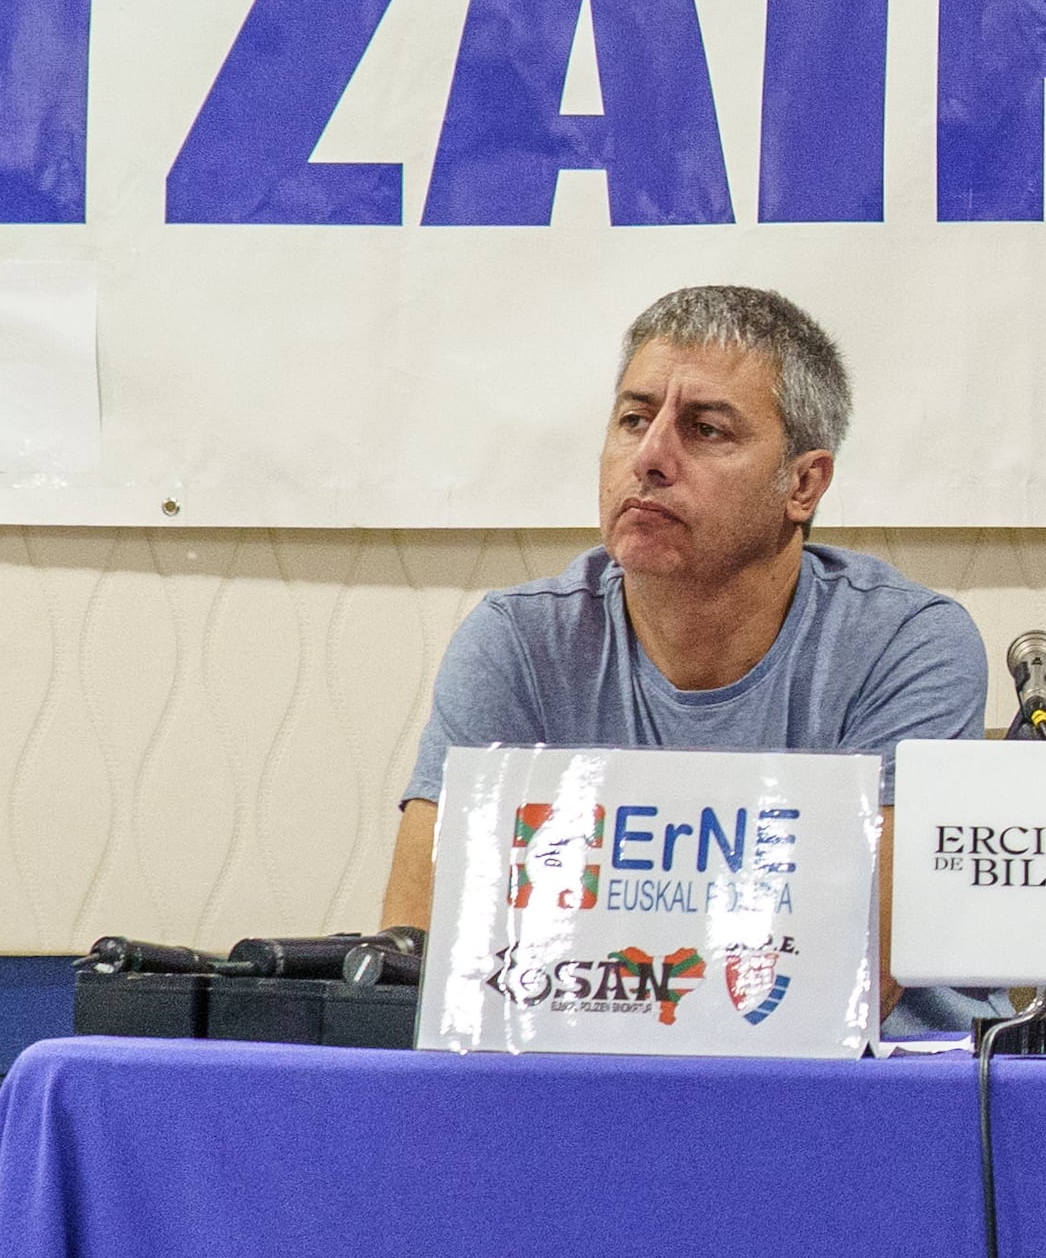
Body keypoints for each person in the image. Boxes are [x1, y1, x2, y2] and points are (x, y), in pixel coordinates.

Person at [383, 283, 995, 1035]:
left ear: (802, 484)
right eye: (634, 419)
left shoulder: (905, 645)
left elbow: (847, 978)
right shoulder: (518, 644)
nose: (650, 458)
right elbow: (419, 957)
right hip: (580, 1086)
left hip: (873, 1098)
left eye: (705, 430)